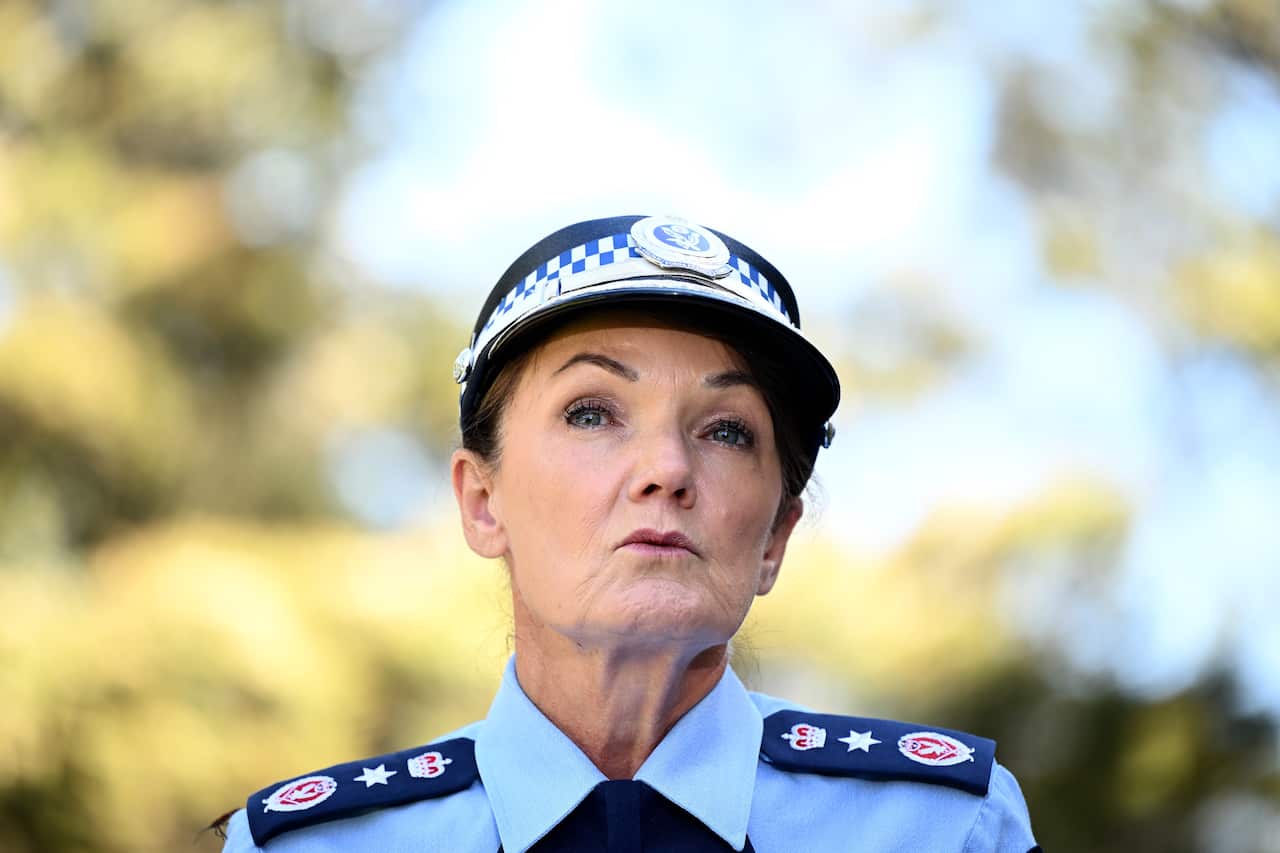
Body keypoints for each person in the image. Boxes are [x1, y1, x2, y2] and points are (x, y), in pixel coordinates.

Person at [219, 215, 1040, 852]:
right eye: (591, 413)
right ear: (482, 501)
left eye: (726, 429)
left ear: (775, 537)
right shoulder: (325, 841)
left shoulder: (942, 829)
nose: (667, 469)